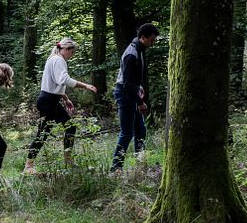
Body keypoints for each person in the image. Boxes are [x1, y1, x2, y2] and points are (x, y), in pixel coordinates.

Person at [24, 38, 98, 174]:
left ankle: (68, 161)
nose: (72, 55)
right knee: (43, 133)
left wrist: (66, 98)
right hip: (48, 101)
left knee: (70, 127)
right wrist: (86, 86)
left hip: (51, 100)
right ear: (66, 49)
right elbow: (63, 80)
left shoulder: (54, 59)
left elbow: (54, 83)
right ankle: (28, 166)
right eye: (72, 52)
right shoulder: (59, 60)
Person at [109, 23, 159, 173]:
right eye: (152, 39)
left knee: (140, 130)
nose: (153, 42)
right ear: (142, 37)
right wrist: (140, 102)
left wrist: (139, 88)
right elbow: (127, 84)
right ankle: (115, 169)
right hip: (125, 94)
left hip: (132, 92)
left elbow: (134, 80)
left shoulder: (140, 49)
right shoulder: (132, 54)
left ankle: (140, 165)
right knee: (127, 133)